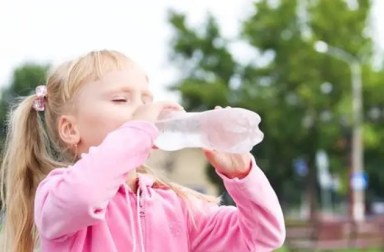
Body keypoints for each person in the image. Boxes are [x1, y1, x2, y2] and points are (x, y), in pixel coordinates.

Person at [0, 50, 285, 252]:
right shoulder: (59, 195)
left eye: (147, 99)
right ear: (71, 129)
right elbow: (85, 195)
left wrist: (241, 174)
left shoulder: (177, 206)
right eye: (121, 99)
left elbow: (262, 237)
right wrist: (137, 129)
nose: (142, 110)